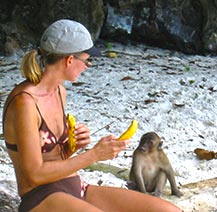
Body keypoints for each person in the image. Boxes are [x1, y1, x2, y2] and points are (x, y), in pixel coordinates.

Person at [2, 19, 182, 212]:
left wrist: (72, 146)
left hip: (74, 187)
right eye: (87, 60)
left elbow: (54, 156)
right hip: (41, 198)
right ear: (69, 60)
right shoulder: (25, 102)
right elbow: (34, 174)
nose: (88, 66)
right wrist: (93, 155)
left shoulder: (59, 91)